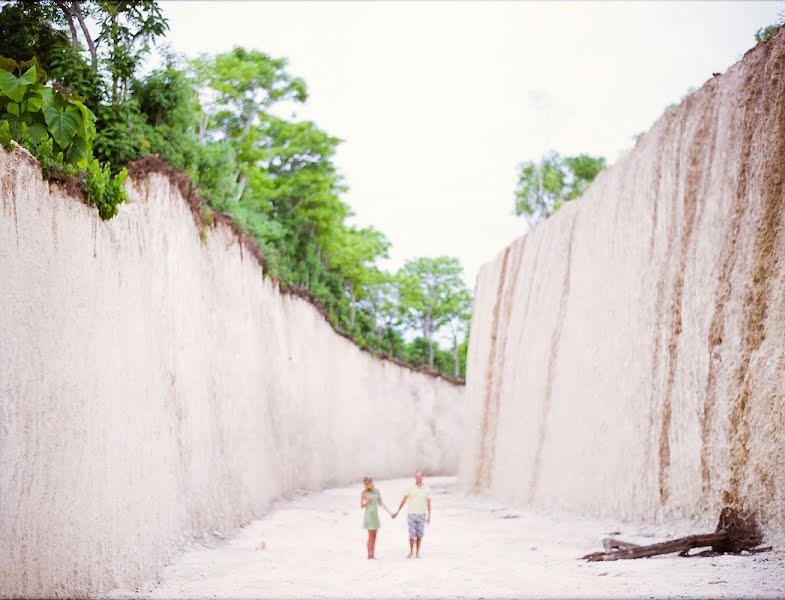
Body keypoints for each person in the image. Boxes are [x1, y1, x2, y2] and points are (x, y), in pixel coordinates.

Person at [392, 470, 431, 558]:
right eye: (416, 477)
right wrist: (397, 511)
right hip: (411, 514)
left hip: (421, 514)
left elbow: (428, 503)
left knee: (419, 535)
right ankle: (411, 552)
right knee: (411, 535)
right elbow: (404, 500)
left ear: (422, 477)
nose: (418, 478)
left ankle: (417, 552)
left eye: (419, 476)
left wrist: (429, 515)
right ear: (415, 478)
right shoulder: (410, 488)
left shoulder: (427, 489)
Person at [361, 476, 392, 559]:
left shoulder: (377, 491)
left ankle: (372, 554)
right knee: (370, 535)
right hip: (369, 515)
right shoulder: (364, 493)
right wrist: (367, 502)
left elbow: (381, 503)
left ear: (372, 483)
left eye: (368, 484)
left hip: (375, 515)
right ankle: (369, 555)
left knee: (374, 536)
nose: (366, 486)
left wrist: (390, 513)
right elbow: (362, 506)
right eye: (365, 484)